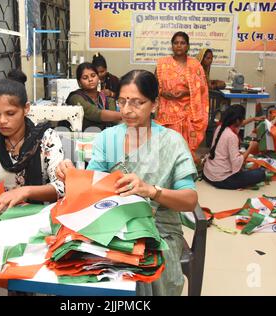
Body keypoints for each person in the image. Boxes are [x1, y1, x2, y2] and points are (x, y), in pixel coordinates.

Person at [56, 70, 198, 296]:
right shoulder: (108, 137)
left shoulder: (171, 142)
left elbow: (190, 201)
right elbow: (94, 187)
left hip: (159, 229)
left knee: (143, 272)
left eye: (137, 102)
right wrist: (73, 177)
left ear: (154, 105)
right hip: (112, 223)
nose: (127, 110)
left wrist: (151, 191)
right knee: (80, 265)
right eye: (122, 102)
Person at [0, 79, 65, 215]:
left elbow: (61, 187)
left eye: (10, 113)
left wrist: (25, 191)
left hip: (40, 214)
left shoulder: (46, 138)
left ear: (26, 108)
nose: (2, 121)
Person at [155, 31, 209, 158]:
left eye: (182, 43)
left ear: (188, 46)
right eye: (176, 43)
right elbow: (155, 85)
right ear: (172, 45)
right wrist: (163, 92)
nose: (179, 46)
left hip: (188, 113)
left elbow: (202, 88)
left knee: (185, 148)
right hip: (167, 112)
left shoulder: (195, 65)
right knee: (167, 147)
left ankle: (184, 170)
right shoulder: (163, 63)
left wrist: (185, 92)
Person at [203, 105, 266, 190]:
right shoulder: (231, 136)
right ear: (237, 120)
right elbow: (237, 164)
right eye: (242, 118)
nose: (243, 120)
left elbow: (239, 124)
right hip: (221, 179)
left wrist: (253, 119)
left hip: (208, 174)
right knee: (261, 173)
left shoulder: (220, 127)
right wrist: (250, 148)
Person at [65, 62, 121, 131]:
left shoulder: (108, 100)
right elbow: (94, 113)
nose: (90, 79)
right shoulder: (75, 98)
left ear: (98, 78)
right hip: (81, 138)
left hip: (104, 137)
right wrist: (124, 115)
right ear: (79, 82)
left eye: (93, 75)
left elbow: (114, 120)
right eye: (85, 78)